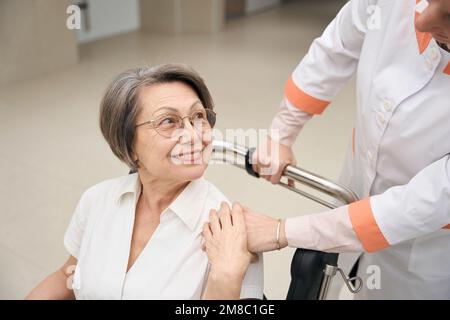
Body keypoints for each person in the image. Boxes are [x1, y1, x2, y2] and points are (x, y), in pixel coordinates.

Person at [206, 0, 450, 299]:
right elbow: (337, 48)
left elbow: (424, 201)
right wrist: (282, 132)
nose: (423, 21)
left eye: (449, 14)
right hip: (355, 183)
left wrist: (282, 231)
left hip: (427, 247)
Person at [26, 64, 263, 300]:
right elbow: (67, 278)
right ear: (129, 145)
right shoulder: (96, 200)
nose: (194, 136)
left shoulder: (230, 231)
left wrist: (226, 277)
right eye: (169, 121)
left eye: (198, 116)